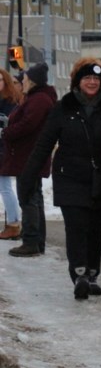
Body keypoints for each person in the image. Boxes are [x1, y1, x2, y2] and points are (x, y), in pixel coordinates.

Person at [19, 59, 101, 299]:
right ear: (77, 81)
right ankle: (79, 273)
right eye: (87, 78)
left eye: (96, 78)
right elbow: (44, 144)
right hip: (70, 176)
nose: (92, 82)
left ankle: (92, 273)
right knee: (76, 226)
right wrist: (27, 177)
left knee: (96, 228)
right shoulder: (64, 107)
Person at [1, 63, 57, 257]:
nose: (21, 83)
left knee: (29, 198)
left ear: (31, 81)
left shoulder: (38, 100)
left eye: (23, 80)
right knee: (34, 197)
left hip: (29, 157)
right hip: (29, 156)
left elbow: (27, 125)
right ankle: (35, 241)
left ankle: (31, 241)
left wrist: (6, 132)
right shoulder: (38, 98)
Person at [0, 68, 25, 240]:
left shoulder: (9, 102)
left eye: (0, 80)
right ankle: (12, 221)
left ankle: (14, 223)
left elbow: (11, 127)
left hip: (3, 148)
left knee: (5, 186)